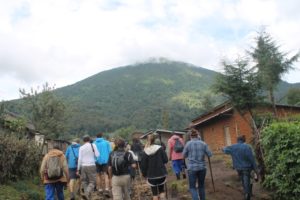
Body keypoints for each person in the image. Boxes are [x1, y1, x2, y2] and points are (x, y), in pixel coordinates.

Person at [223, 135, 258, 200]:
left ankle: (247, 193)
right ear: (244, 140)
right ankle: (247, 195)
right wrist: (256, 169)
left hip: (238, 168)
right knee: (247, 181)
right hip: (247, 168)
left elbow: (225, 150)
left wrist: (223, 148)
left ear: (237, 140)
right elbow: (252, 159)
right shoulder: (247, 147)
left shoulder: (233, 147)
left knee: (244, 181)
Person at [183, 129, 212, 200]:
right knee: (201, 186)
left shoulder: (188, 144)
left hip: (192, 168)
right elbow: (210, 154)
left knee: (192, 187)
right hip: (202, 168)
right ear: (198, 135)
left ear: (190, 136)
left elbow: (183, 156)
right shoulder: (203, 143)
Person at [141, 134, 168, 200]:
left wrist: (144, 174)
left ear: (147, 141)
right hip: (161, 173)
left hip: (151, 175)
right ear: (155, 140)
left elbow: (143, 165)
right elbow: (166, 160)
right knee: (161, 191)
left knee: (154, 193)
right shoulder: (160, 148)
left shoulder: (145, 151)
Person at [77, 135, 100, 200]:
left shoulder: (81, 147)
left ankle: (87, 196)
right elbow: (97, 154)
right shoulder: (93, 145)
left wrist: (78, 169)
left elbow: (79, 159)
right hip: (91, 165)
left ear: (83, 140)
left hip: (83, 166)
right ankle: (87, 193)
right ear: (89, 140)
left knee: (84, 181)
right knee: (93, 181)